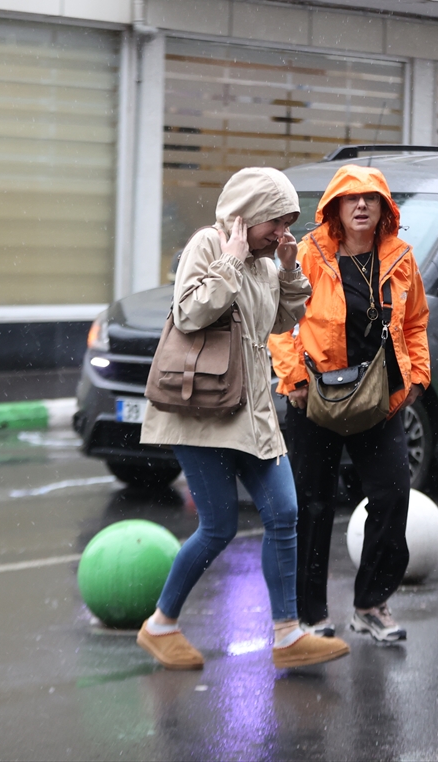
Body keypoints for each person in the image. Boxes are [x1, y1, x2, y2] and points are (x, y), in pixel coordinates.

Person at [136, 167, 350, 671]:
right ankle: (160, 624)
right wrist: (230, 261)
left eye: (288, 223)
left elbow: (280, 321)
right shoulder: (210, 245)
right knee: (218, 528)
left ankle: (288, 634)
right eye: (275, 222)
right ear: (247, 215)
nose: (282, 233)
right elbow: (190, 314)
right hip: (206, 411)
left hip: (253, 412)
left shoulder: (266, 262)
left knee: (284, 512)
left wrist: (289, 271)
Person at [269, 164, 431, 643]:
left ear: (384, 208)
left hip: (379, 400)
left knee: (392, 496)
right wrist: (294, 379)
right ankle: (309, 614)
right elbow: (280, 320)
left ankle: (370, 604)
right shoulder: (308, 253)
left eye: (371, 198)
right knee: (313, 505)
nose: (361, 205)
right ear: (334, 207)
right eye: (351, 198)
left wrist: (418, 377)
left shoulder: (401, 258)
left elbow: (416, 321)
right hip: (314, 399)